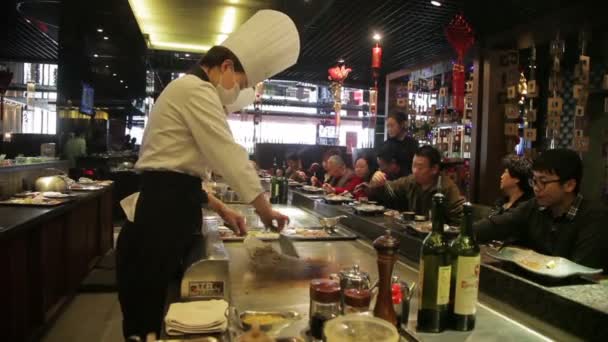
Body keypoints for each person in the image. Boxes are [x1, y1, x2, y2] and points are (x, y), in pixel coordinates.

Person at [116, 10, 299, 340]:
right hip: (163, 212)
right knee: (147, 313)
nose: (235, 92)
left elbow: (181, 171)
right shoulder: (196, 90)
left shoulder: (187, 89)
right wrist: (265, 210)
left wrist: (222, 208)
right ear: (226, 66)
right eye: (240, 84)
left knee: (155, 303)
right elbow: (228, 153)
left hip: (167, 203)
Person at [474, 149, 608, 271]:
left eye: (543, 182)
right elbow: (496, 225)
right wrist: (464, 234)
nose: (536, 188)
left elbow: (582, 269)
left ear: (569, 185)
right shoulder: (534, 206)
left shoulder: (594, 217)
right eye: (534, 181)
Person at [366, 145, 464, 224]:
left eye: (420, 167)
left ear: (434, 169)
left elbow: (460, 222)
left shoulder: (447, 188)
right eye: (413, 166)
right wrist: (376, 183)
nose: (415, 171)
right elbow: (389, 189)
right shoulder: (411, 181)